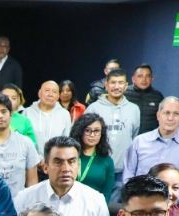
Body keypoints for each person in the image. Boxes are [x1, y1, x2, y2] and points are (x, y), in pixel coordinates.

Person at [122, 97, 179, 204]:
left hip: (172, 208)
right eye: (166, 113)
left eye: (176, 114)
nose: (170, 118)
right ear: (158, 115)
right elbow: (128, 176)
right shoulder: (139, 141)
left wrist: (170, 198)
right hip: (140, 203)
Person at [84, 68, 140, 200]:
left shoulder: (134, 109)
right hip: (97, 166)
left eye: (120, 83)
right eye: (113, 82)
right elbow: (84, 138)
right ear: (106, 85)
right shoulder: (94, 108)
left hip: (122, 170)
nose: (116, 86)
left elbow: (134, 136)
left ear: (126, 85)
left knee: (113, 211)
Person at [0, 93, 40, 199]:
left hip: (18, 208)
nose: (0, 116)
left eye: (4, 111)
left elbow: (32, 183)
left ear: (10, 115)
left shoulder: (26, 143)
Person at [70, 113, 116, 203]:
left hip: (95, 209)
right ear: (80, 131)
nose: (92, 135)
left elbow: (107, 193)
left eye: (96, 131)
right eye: (87, 130)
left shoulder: (107, 161)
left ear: (101, 133)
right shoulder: (69, 156)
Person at [24, 81, 72, 156]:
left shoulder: (65, 114)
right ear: (39, 93)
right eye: (47, 91)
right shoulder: (27, 112)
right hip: (31, 162)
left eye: (54, 92)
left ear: (58, 96)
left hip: (55, 162)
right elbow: (23, 140)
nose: (50, 94)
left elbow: (66, 141)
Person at [125, 64, 165, 134]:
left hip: (150, 140)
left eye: (148, 76)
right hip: (127, 139)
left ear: (152, 79)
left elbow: (163, 120)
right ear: (133, 79)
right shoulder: (123, 94)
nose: (144, 80)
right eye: (140, 76)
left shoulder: (158, 96)